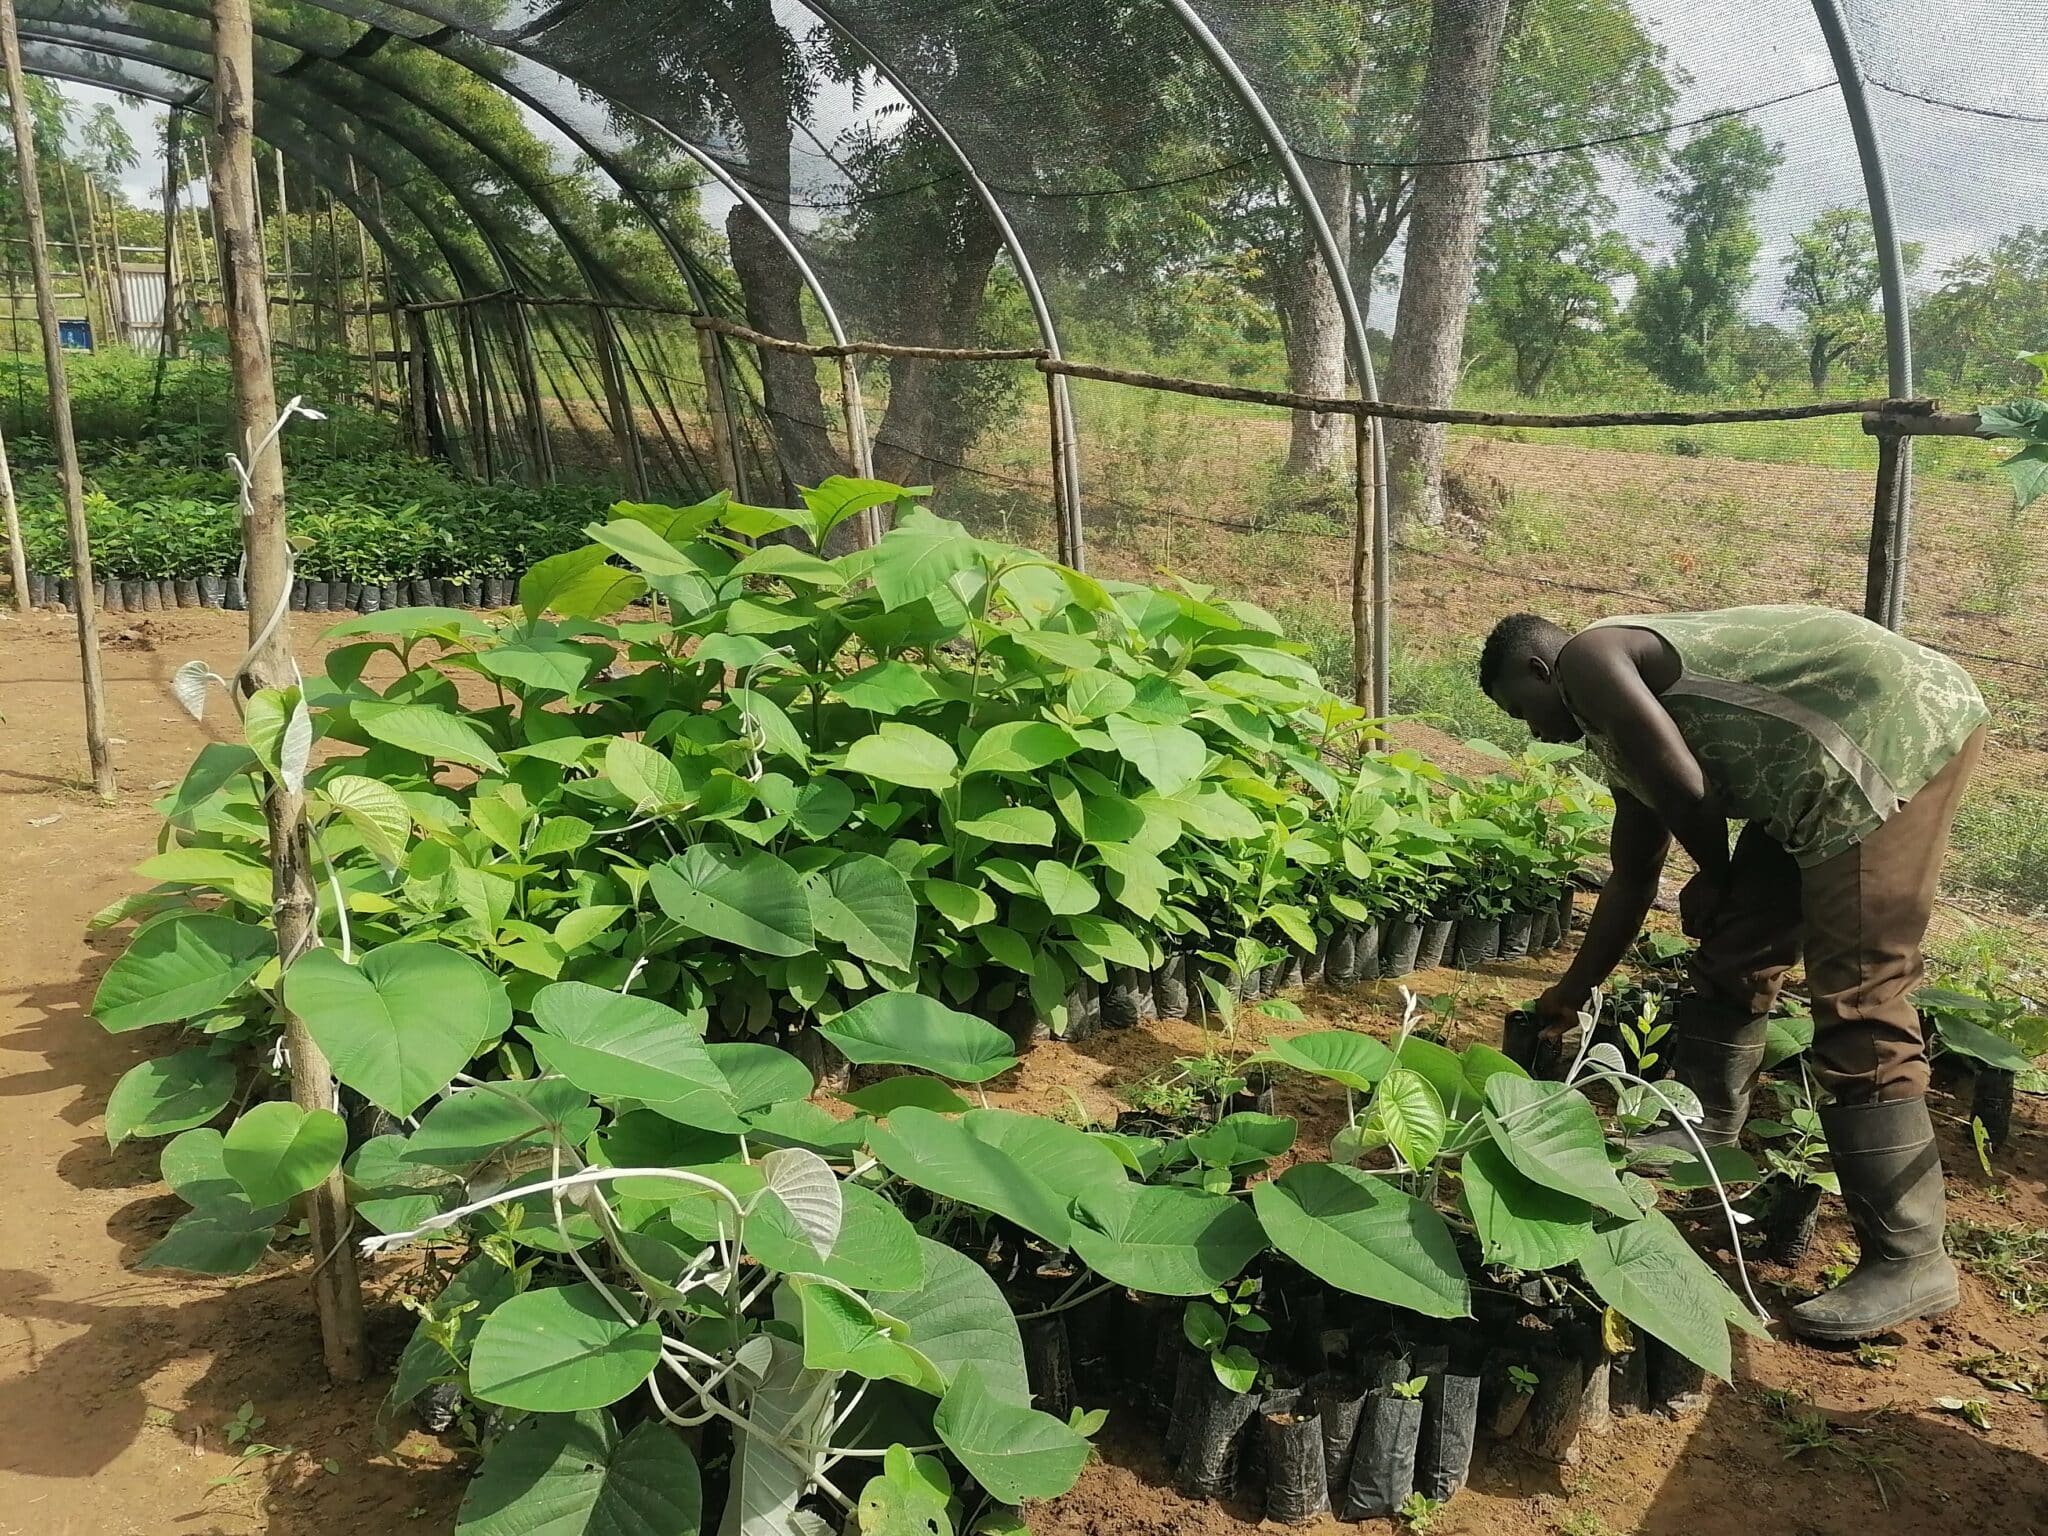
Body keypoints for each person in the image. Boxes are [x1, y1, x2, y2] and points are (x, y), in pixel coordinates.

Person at [1479, 604, 1988, 1342]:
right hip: (1812, 779)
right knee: (1739, 944)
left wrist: (1716, 874)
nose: (1530, 731)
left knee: (1859, 995)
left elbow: (1688, 788)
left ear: (1539, 671)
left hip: (1892, 732)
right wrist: (1571, 990)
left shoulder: (1590, 660)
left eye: (1520, 709)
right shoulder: (1613, 728)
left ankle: (1910, 1258)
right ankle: (1706, 1130)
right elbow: (1632, 877)